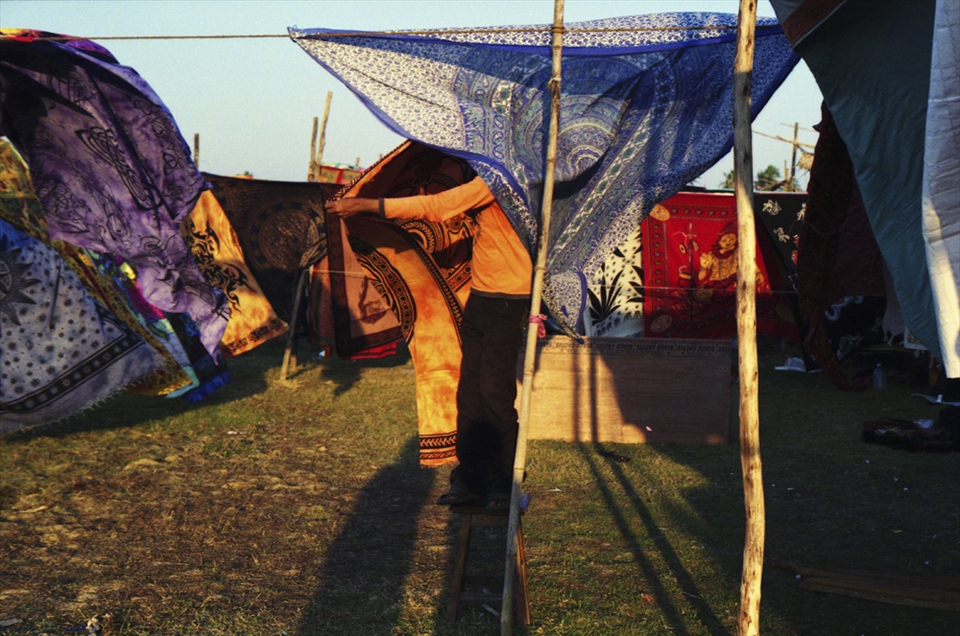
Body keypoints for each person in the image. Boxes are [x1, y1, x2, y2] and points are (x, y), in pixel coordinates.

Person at [326, 175, 532, 510]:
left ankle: (501, 484)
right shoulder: (495, 179)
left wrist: (366, 205)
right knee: (468, 394)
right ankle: (469, 479)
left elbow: (436, 207)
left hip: (510, 301)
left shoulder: (507, 181)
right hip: (481, 298)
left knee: (495, 392)